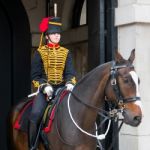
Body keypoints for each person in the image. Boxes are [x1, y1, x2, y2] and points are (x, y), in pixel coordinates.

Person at [28, 16, 76, 150]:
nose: (57, 35)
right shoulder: (40, 52)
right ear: (47, 36)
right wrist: (43, 86)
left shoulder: (66, 53)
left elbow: (70, 73)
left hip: (62, 89)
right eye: (54, 33)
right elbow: (35, 77)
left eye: (58, 33)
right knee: (35, 115)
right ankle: (32, 145)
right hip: (45, 90)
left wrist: (70, 82)